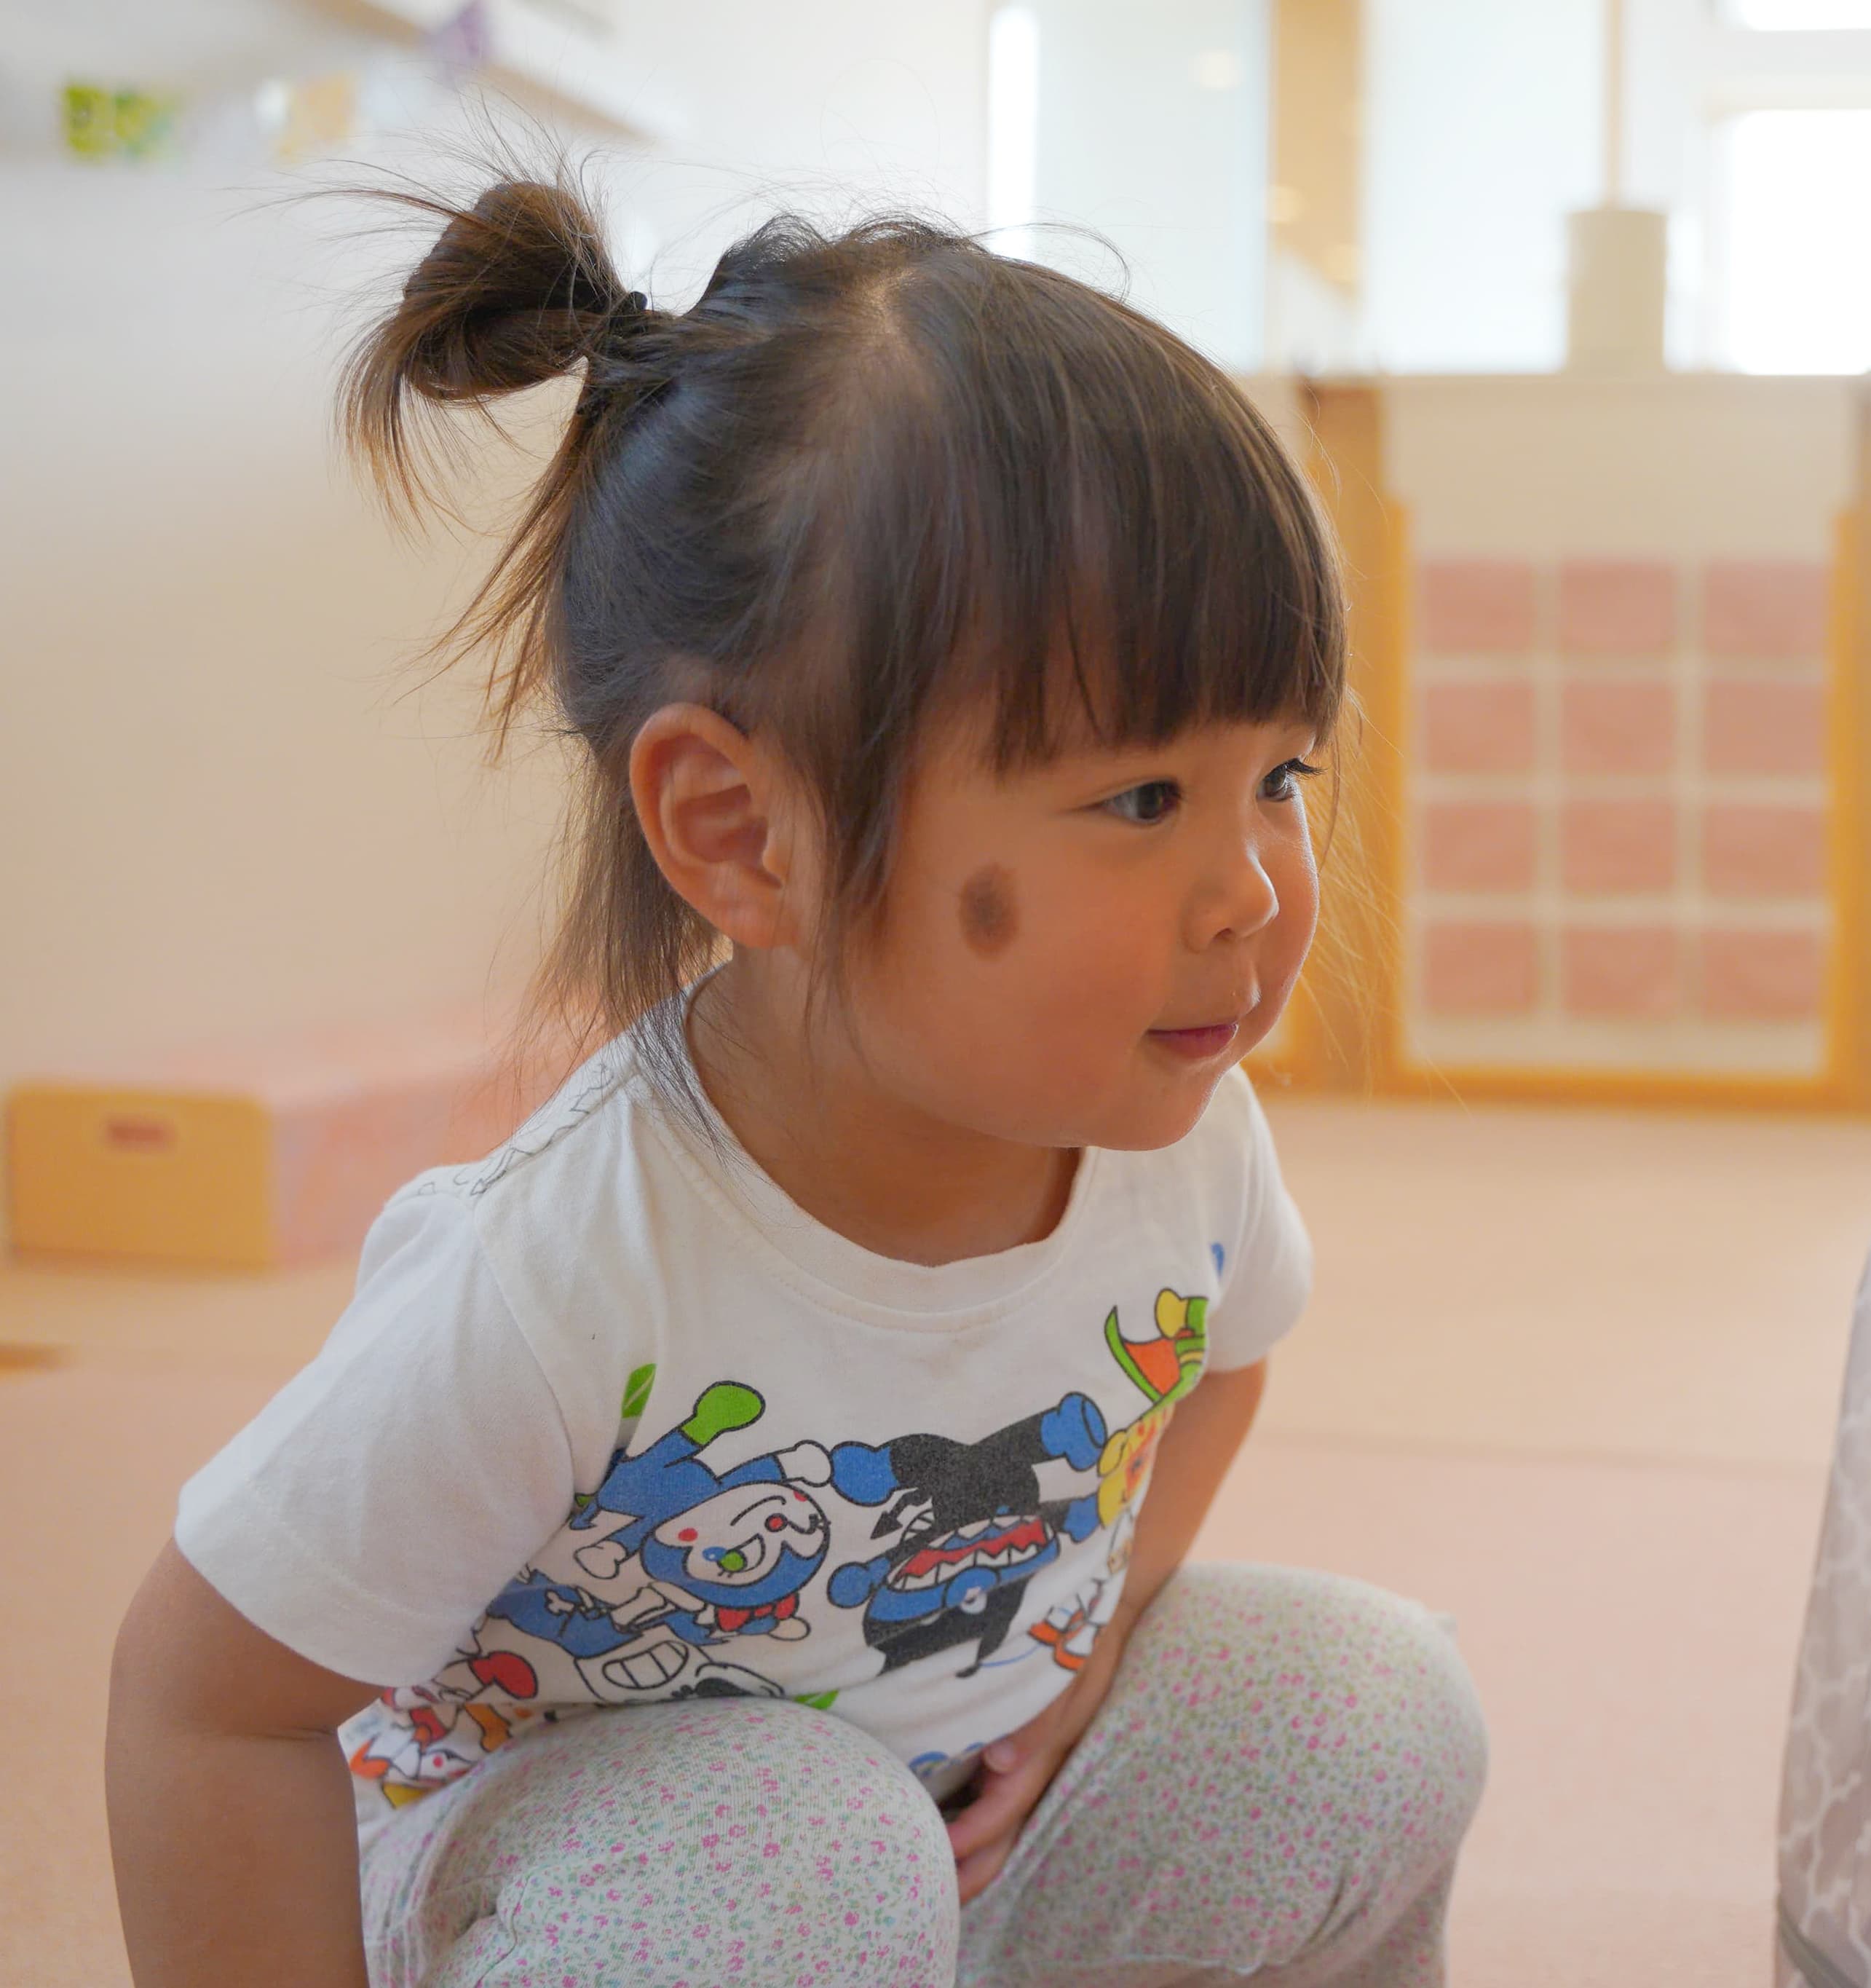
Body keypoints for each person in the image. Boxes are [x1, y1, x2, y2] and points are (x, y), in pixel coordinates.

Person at [103, 173, 1487, 1988]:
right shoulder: (556, 1275)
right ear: (743, 834)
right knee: (795, 1857)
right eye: (1143, 797)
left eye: (1280, 779)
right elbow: (205, 1702)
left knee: (1366, 1707)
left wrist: (1086, 1653)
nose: (1250, 890)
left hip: (938, 1847)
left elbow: (1221, 1358)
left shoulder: (1179, 1136)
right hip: (605, 1906)